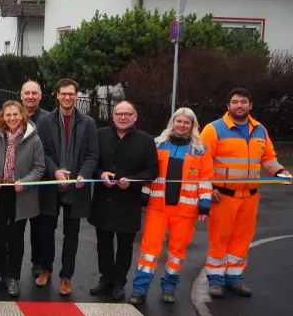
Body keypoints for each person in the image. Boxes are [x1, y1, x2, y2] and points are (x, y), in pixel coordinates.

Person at [201, 88, 291, 299]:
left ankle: (234, 279)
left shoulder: (260, 130)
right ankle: (215, 280)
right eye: (235, 102)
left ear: (250, 106)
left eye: (243, 102)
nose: (239, 105)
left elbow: (268, 158)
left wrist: (279, 171)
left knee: (242, 239)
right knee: (220, 238)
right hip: (222, 196)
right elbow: (202, 162)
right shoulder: (213, 129)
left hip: (250, 196)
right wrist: (209, 188)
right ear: (228, 106)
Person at [129, 108, 213, 305]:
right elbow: (149, 173)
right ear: (172, 123)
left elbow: (206, 179)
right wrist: (144, 196)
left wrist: (205, 205)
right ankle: (139, 290)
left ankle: (169, 288)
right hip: (158, 208)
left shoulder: (201, 150)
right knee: (149, 251)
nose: (182, 125)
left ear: (193, 126)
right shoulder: (158, 145)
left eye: (186, 122)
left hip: (185, 211)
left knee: (177, 253)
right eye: (179, 121)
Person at [88, 101, 158, 301]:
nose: (123, 117)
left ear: (135, 117)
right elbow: (90, 161)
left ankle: (119, 282)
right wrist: (101, 174)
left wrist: (133, 182)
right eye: (119, 113)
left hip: (129, 200)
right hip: (104, 199)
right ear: (113, 116)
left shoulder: (145, 140)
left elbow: (152, 170)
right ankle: (106, 279)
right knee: (103, 243)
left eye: (128, 114)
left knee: (125, 246)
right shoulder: (99, 135)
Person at [35, 78, 99, 297]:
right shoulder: (45, 121)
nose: (67, 97)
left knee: (72, 235)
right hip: (51, 186)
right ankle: (46, 270)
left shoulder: (88, 123)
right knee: (46, 232)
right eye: (63, 93)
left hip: (76, 188)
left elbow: (92, 154)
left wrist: (84, 174)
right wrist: (55, 172)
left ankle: (66, 277)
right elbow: (41, 151)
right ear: (58, 95)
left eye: (71, 93)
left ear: (76, 95)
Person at [0, 100, 46, 298]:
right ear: (3, 116)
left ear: (22, 116)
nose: (11, 118)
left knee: (16, 237)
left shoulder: (33, 139)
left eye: (15, 114)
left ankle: (13, 278)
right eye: (8, 114)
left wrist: (25, 181)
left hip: (21, 195)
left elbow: (39, 168)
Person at [20, 80, 49, 278]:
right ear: (21, 95)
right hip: (16, 181)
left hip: (40, 181)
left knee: (39, 227)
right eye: (27, 93)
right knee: (16, 226)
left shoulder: (47, 119)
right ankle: (10, 264)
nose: (30, 96)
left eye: (34, 93)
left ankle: (37, 262)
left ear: (40, 96)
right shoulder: (12, 116)